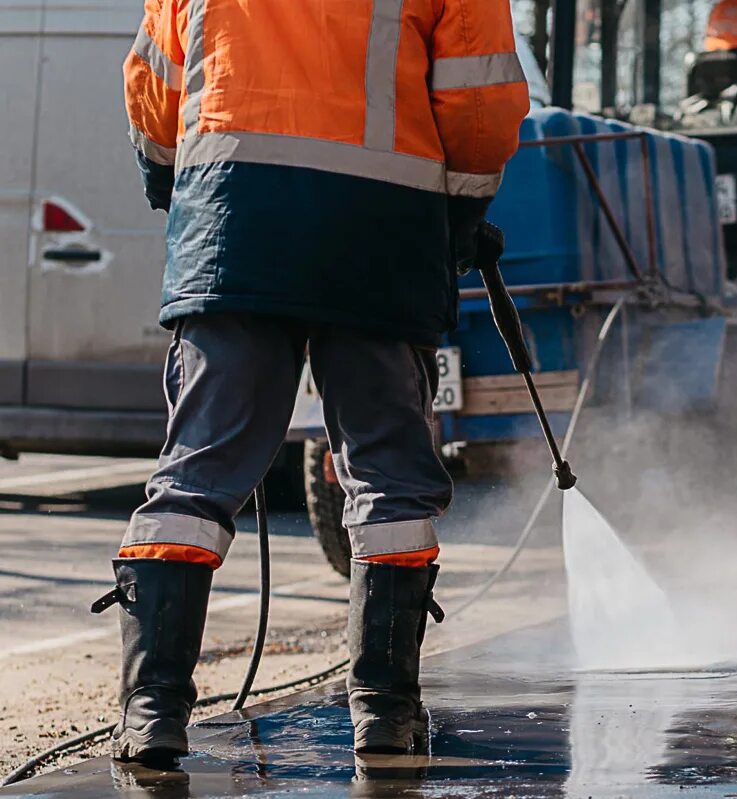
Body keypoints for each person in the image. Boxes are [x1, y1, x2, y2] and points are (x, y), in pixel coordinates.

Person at [94, 0, 529, 759]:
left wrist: (179, 188)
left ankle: (153, 712)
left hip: (234, 230)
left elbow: (152, 89)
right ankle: (385, 714)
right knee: (389, 481)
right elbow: (482, 104)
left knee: (196, 477)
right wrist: (458, 218)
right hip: (379, 235)